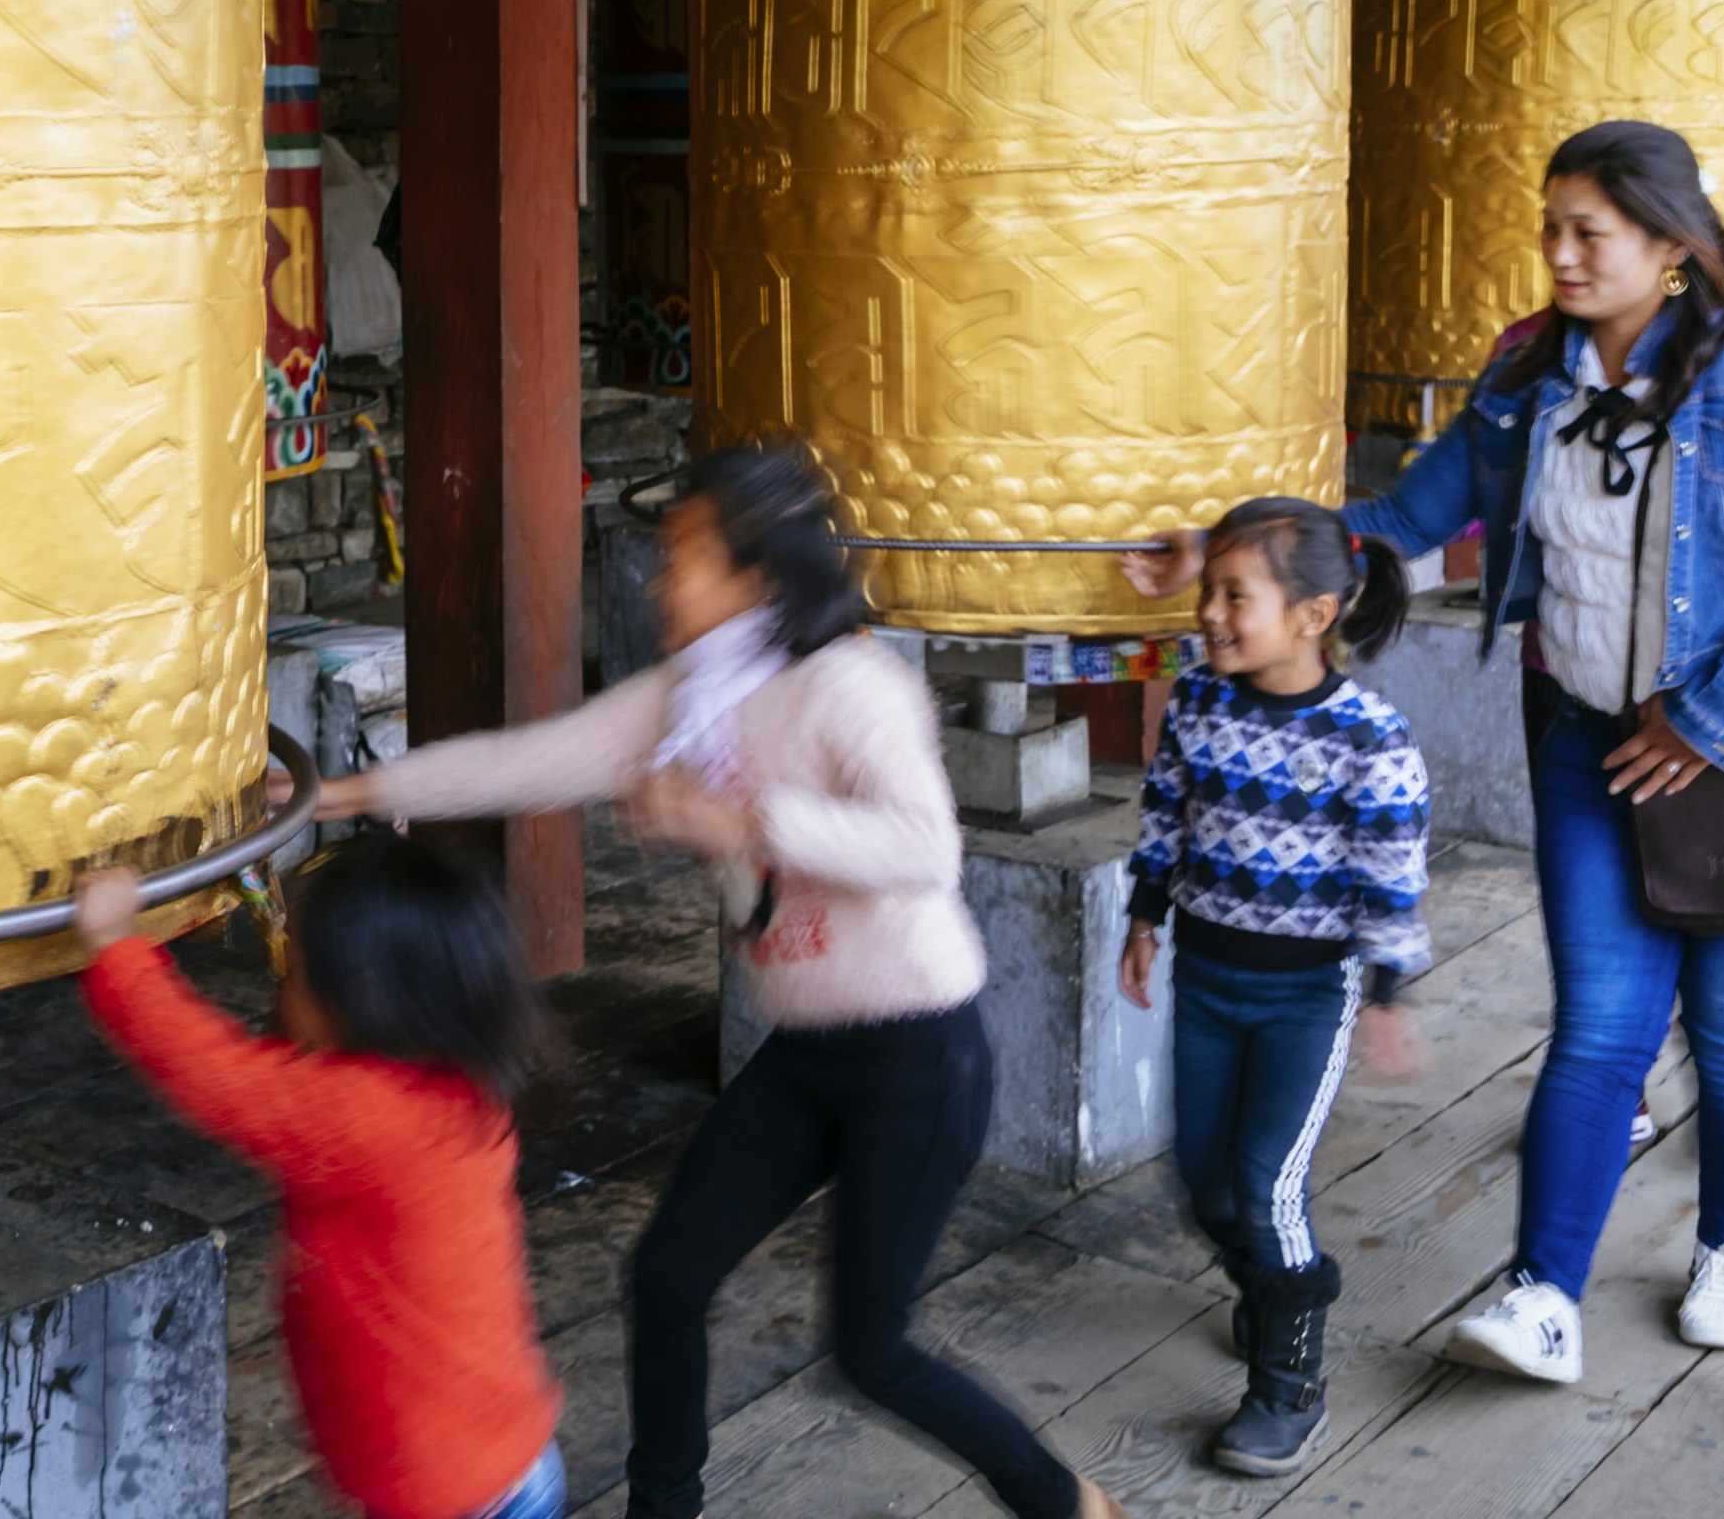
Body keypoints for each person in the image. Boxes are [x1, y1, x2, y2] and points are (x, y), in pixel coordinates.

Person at [1130, 121, 1724, 1384]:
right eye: (1551, 228)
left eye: (1589, 230)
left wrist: (1707, 717)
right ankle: (1542, 1294)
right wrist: (1224, 549)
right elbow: (1400, 521)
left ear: (1670, 242)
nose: (1561, 253)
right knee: (1599, 1026)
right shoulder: (1529, 376)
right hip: (1590, 740)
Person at [295, 438, 1128, 1519]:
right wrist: (352, 795)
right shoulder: (693, 698)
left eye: (682, 554)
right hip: (807, 1053)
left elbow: (928, 848)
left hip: (917, 1054)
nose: (656, 580)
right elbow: (535, 759)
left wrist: (740, 818)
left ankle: (1062, 1500)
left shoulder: (853, 685)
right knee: (668, 1274)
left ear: (759, 574)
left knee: (870, 1350)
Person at [74, 836, 566, 1519]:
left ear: (364, 996)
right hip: (489, 1464)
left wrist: (116, 948)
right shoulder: (446, 1085)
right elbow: (295, 1078)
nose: (280, 978)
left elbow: (218, 1078)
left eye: (294, 971)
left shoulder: (369, 1120)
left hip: (452, 1495)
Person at [1120, 497, 1432, 1478]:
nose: (1208, 611)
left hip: (1308, 996)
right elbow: (1166, 808)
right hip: (1205, 979)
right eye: (1207, 589)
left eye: (1233, 593)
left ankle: (1288, 1384)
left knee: (1267, 1184)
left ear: (1313, 613)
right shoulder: (1198, 700)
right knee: (1203, 1182)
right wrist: (1144, 916)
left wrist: (1386, 992)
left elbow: (1393, 872)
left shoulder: (1370, 738)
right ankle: (1272, 1284)